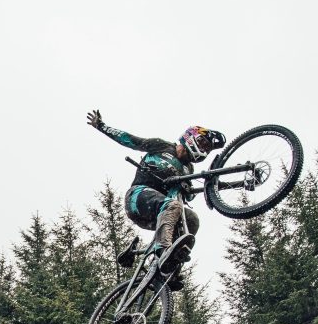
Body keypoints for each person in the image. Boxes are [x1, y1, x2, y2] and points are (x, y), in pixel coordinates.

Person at [87, 109, 225, 283]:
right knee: (173, 206)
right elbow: (130, 140)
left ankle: (169, 270)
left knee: (191, 219)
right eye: (203, 143)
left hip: (159, 212)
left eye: (207, 149)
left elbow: (186, 196)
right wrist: (101, 126)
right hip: (137, 197)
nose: (204, 149)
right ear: (190, 137)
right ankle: (163, 249)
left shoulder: (188, 169)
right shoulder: (162, 146)